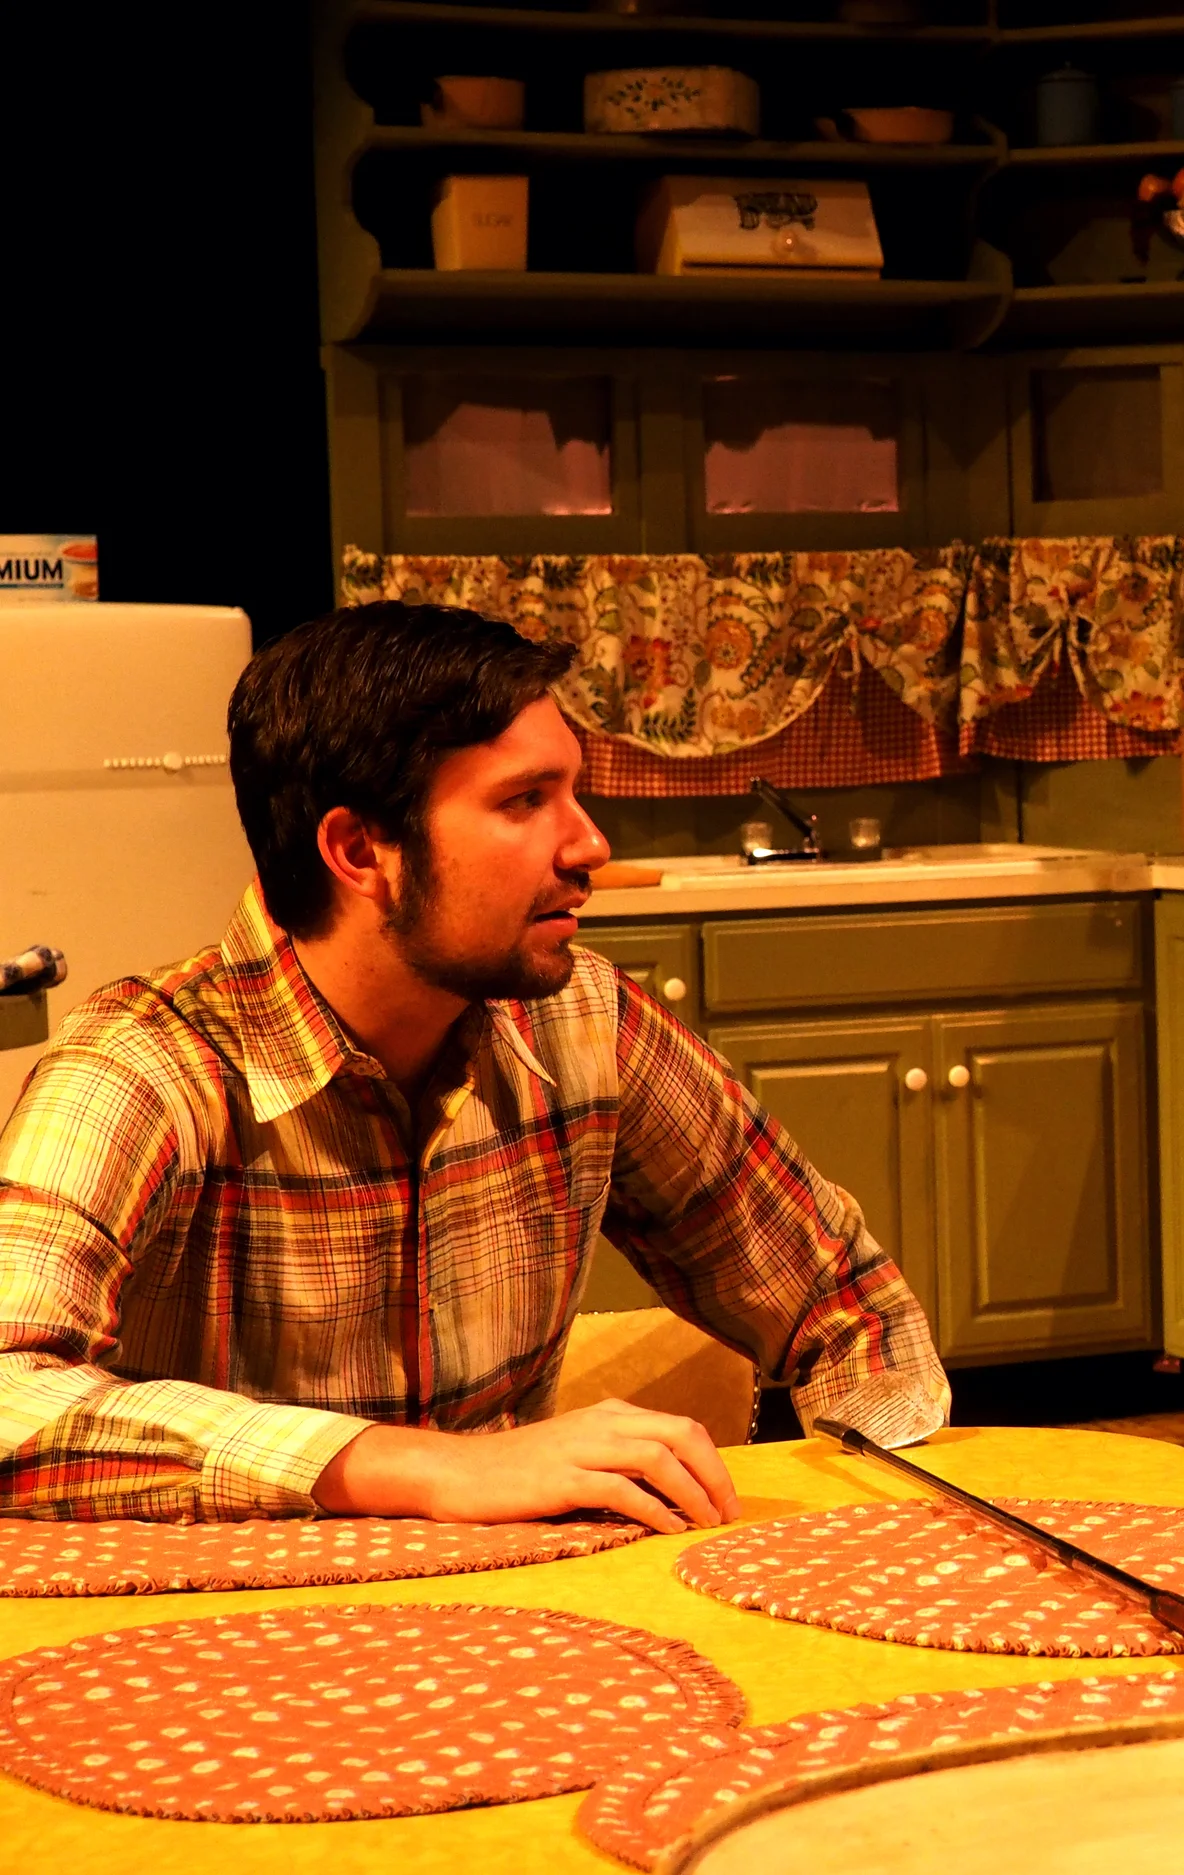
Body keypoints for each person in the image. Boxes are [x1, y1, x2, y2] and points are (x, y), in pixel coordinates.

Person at [0, 602, 947, 1531]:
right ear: (360, 849)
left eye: (572, 792)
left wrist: (880, 1534)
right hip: (222, 1620)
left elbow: (848, 1308)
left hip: (522, 1612)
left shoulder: (587, 1024)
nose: (590, 844)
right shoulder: (143, 1066)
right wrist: (420, 1465)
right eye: (525, 800)